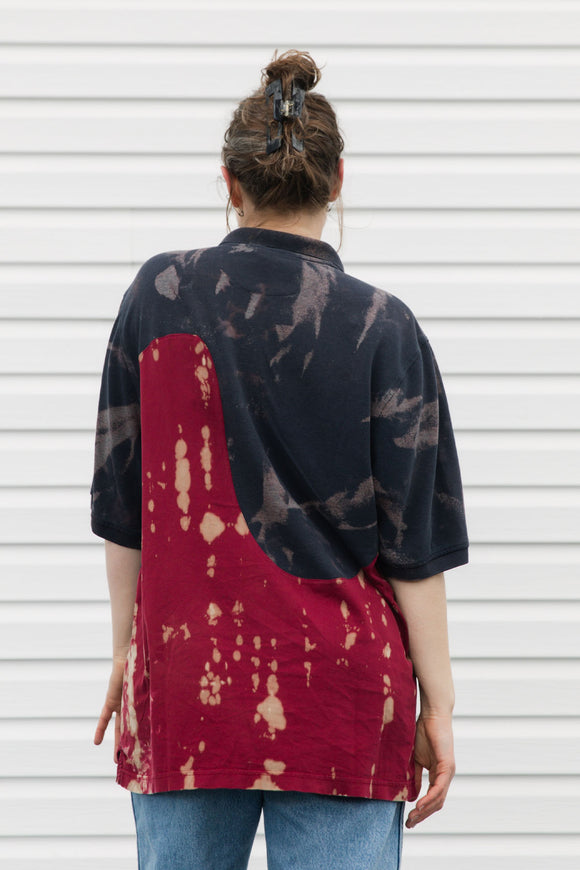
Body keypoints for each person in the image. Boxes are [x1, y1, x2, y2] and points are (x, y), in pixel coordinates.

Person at [91, 50, 468, 870]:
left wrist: (127, 652)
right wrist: (439, 701)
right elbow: (416, 547)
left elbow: (125, 508)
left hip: (191, 682)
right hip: (343, 695)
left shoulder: (156, 296)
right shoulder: (383, 326)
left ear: (230, 182)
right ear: (337, 181)